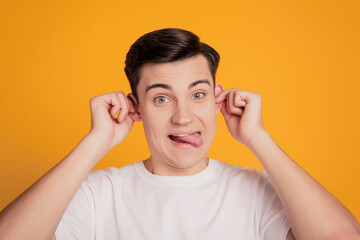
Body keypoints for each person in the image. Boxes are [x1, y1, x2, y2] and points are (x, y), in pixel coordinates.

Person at [0, 28, 359, 240]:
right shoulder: (97, 194)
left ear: (217, 99)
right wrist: (95, 142)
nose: (183, 116)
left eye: (198, 94)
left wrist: (258, 138)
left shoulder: (259, 192)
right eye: (161, 98)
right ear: (135, 108)